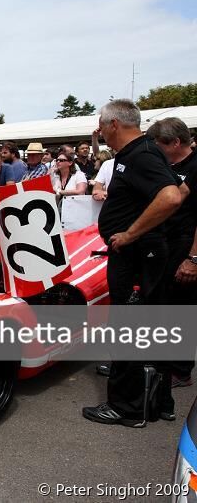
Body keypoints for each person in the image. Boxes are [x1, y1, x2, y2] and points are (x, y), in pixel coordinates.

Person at [83, 99, 185, 427]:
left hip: (137, 255)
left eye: (102, 123)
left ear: (115, 124)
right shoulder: (137, 153)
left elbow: (172, 196)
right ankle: (157, 401)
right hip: (143, 254)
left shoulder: (141, 154)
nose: (99, 129)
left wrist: (130, 234)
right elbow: (178, 189)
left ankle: (126, 408)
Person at [148, 117, 197, 386]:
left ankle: (180, 371)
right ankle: (162, 362)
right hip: (165, 244)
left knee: (182, 309)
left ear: (176, 142)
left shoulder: (195, 167)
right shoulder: (169, 165)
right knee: (164, 306)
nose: (157, 149)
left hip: (186, 245)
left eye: (159, 144)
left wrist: (193, 259)